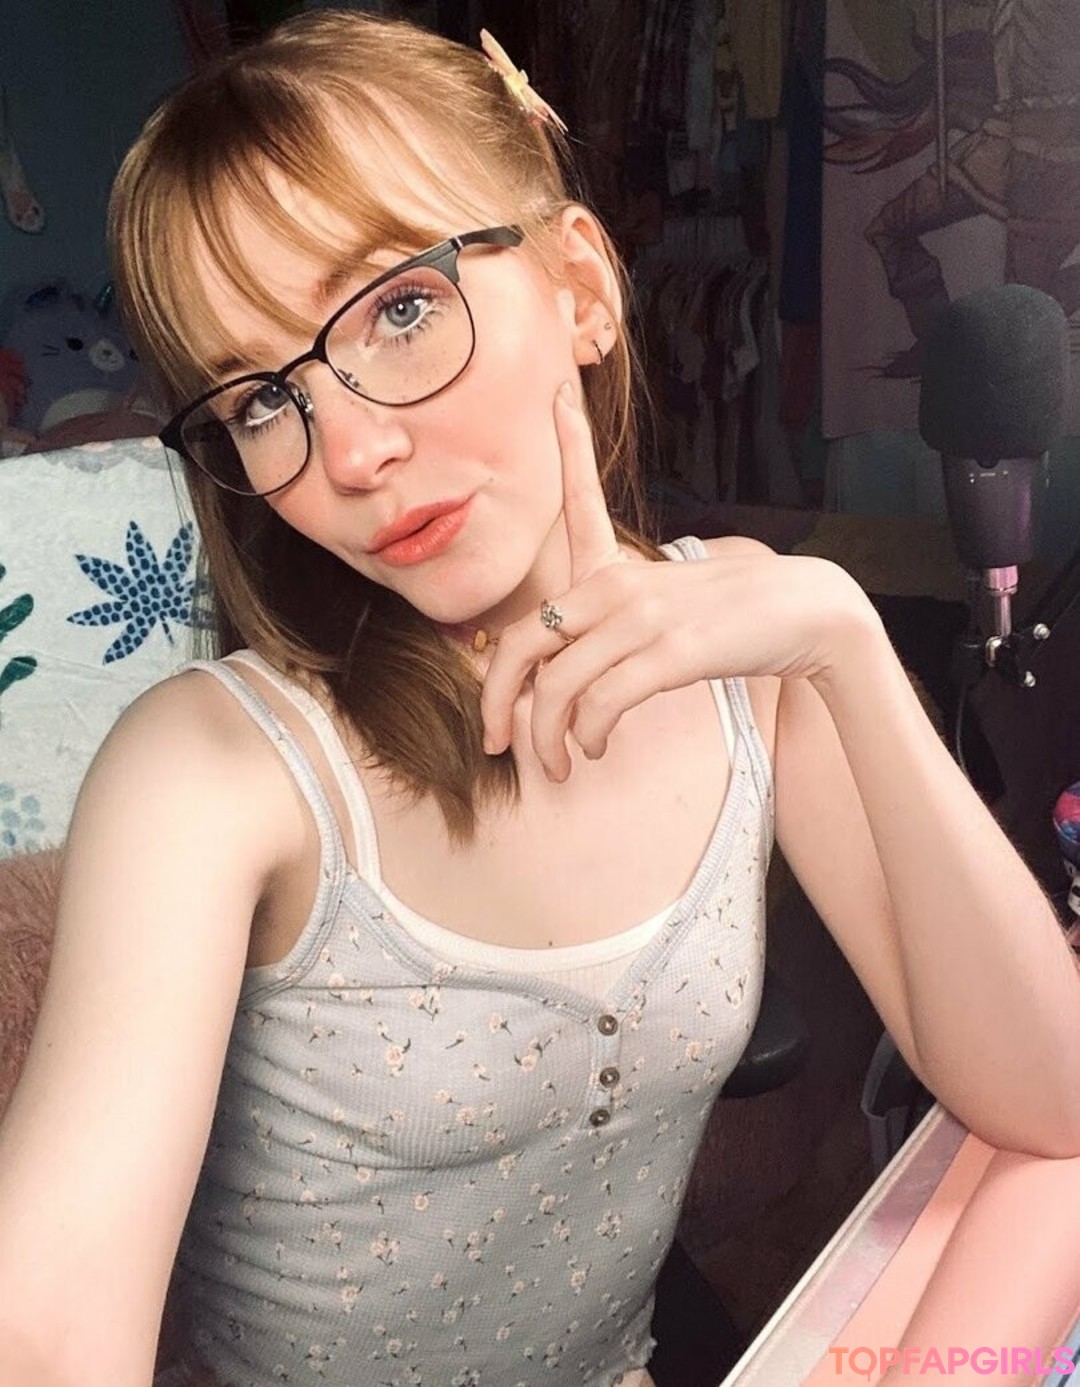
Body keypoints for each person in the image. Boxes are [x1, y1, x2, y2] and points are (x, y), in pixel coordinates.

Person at [0, 11, 1079, 1387]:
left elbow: (1050, 1096)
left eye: (398, 309)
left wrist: (844, 641)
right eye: (261, 399)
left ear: (578, 287)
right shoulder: (210, 771)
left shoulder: (752, 648)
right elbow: (46, 1326)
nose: (350, 452)